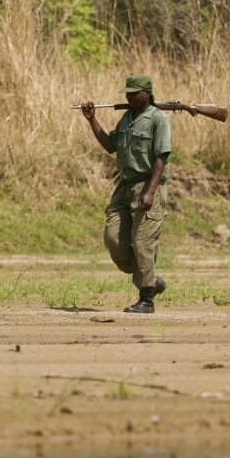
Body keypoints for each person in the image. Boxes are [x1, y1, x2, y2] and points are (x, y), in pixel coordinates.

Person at [80, 74, 171, 314]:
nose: (129, 96)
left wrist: (150, 192)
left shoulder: (158, 119)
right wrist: (92, 121)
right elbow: (111, 146)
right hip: (124, 186)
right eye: (127, 93)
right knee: (113, 239)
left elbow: (161, 157)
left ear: (147, 93)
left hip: (148, 185)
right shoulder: (127, 119)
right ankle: (151, 279)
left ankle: (146, 299)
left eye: (134, 92)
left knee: (142, 243)